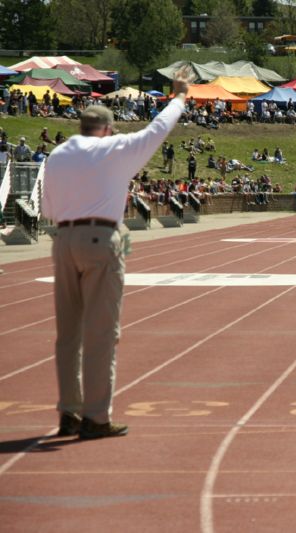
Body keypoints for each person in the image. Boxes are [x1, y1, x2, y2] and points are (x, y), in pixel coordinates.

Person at [41, 68, 192, 440]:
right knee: (101, 333)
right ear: (107, 129)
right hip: (99, 238)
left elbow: (46, 206)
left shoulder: (58, 154)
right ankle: (96, 416)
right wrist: (180, 97)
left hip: (63, 240)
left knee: (68, 334)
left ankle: (69, 413)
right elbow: (157, 130)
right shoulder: (114, 149)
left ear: (81, 127)